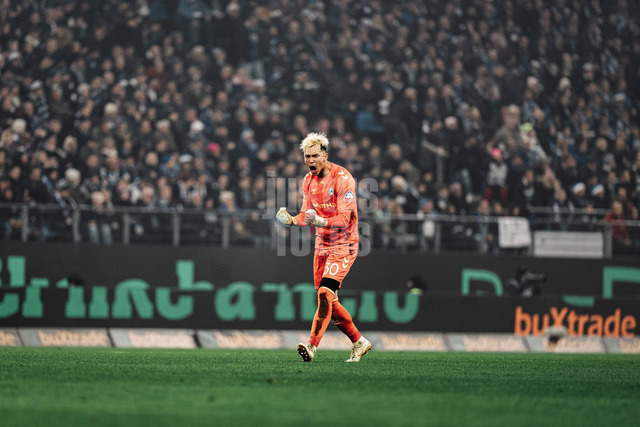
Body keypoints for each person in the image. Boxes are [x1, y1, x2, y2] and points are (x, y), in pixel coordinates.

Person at [275, 132, 371, 363]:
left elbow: (345, 219)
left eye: (315, 156)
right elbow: (306, 215)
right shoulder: (308, 181)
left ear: (325, 155)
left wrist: (319, 221)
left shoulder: (343, 178)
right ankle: (359, 341)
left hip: (344, 244)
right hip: (322, 245)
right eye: (307, 156)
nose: (310, 160)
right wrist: (291, 220)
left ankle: (311, 346)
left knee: (325, 293)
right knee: (328, 300)